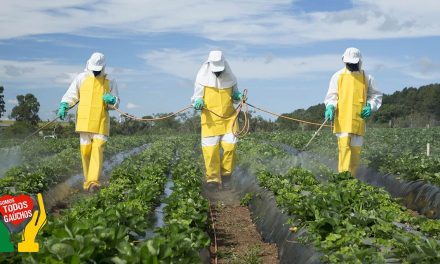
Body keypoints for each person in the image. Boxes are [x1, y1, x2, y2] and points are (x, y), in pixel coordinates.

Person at [57, 52, 119, 192]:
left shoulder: (110, 81)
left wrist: (112, 100)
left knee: (97, 149)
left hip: (100, 121)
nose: (96, 71)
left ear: (103, 67)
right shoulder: (81, 78)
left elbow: (116, 103)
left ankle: (93, 182)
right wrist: (64, 105)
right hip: (84, 122)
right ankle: (87, 182)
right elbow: (71, 94)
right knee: (85, 152)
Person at [324, 47, 382, 177]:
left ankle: (352, 180)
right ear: (344, 61)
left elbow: (376, 96)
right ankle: (343, 179)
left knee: (355, 154)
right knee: (344, 150)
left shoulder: (367, 77)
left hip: (358, 120)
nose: (351, 65)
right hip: (342, 120)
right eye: (349, 63)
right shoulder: (338, 76)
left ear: (359, 62)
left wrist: (370, 106)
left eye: (354, 63)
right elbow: (332, 96)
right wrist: (330, 107)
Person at [192, 50, 245, 190]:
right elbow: (196, 97)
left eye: (220, 71)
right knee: (211, 151)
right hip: (210, 120)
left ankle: (226, 175)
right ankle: (213, 180)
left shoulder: (231, 78)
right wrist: (198, 102)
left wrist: (238, 96)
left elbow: (234, 95)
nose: (218, 73)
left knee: (231, 147)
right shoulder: (201, 78)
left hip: (229, 118)